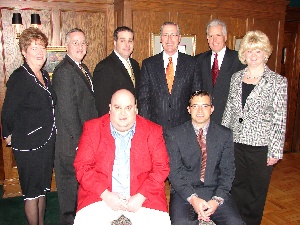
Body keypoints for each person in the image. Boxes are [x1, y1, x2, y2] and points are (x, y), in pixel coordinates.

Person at [222, 30, 288, 225]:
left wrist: (275, 150)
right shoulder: (236, 78)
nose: (253, 55)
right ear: (244, 53)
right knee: (236, 187)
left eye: (257, 51)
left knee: (255, 191)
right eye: (249, 51)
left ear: (265, 53)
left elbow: (279, 119)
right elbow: (229, 111)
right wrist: (223, 141)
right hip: (235, 143)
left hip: (261, 147)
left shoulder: (277, 82)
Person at [73, 89, 170, 222]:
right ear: (110, 108)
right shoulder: (92, 129)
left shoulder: (153, 131)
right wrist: (105, 195)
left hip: (143, 197)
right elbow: (82, 167)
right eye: (117, 107)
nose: (122, 113)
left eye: (128, 108)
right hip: (100, 196)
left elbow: (161, 168)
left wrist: (141, 196)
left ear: (136, 109)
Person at [1, 27, 56, 225]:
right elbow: (7, 111)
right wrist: (7, 134)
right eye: (34, 48)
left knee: (42, 190)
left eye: (42, 47)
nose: (40, 52)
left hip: (45, 142)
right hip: (29, 145)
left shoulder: (44, 76)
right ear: (24, 52)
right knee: (31, 194)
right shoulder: (19, 77)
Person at [165, 90, 245, 225]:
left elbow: (228, 172)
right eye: (195, 106)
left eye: (205, 106)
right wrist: (193, 199)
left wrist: (217, 200)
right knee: (181, 223)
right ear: (189, 109)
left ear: (212, 109)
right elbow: (174, 173)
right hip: (184, 192)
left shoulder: (225, 134)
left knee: (235, 222)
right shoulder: (174, 135)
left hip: (215, 190)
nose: (200, 110)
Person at [52, 28, 98, 225]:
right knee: (69, 197)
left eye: (83, 43)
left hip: (82, 141)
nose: (80, 47)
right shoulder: (63, 72)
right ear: (66, 46)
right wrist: (83, 144)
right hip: (71, 146)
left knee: (81, 193)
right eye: (75, 42)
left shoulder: (83, 68)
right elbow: (69, 114)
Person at [138, 22, 201, 131]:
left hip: (184, 129)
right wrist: (146, 128)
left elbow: (197, 97)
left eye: (173, 35)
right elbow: (144, 100)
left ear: (179, 38)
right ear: (161, 38)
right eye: (166, 35)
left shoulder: (192, 63)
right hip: (156, 129)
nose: (169, 39)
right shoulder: (149, 64)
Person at [195, 19, 245, 125]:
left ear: (225, 37)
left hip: (229, 121)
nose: (214, 40)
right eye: (211, 36)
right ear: (207, 38)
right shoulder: (198, 60)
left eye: (218, 35)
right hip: (204, 120)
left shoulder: (239, 60)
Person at [93, 26, 140, 116]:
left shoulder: (135, 65)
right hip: (116, 123)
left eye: (130, 41)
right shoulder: (104, 67)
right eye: (122, 41)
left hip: (132, 120)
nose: (127, 45)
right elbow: (102, 105)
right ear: (115, 43)